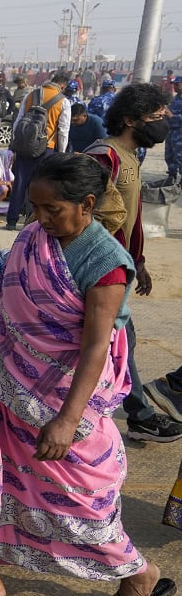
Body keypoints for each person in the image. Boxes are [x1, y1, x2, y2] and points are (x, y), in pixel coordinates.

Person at [0, 153, 175, 596]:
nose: (41, 219)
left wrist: (67, 421)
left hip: (63, 402)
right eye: (36, 207)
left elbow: (97, 346)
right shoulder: (35, 237)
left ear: (87, 204)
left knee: (79, 499)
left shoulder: (106, 262)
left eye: (52, 209)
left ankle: (138, 574)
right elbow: (9, 310)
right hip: (7, 389)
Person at [84, 83, 182, 443]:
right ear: (129, 119)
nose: (161, 125)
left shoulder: (131, 156)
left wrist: (137, 262)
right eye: (155, 118)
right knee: (118, 338)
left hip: (119, 268)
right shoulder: (103, 156)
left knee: (121, 339)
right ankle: (139, 413)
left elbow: (129, 219)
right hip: (99, 271)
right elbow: (84, 216)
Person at [8, 69, 72, 230]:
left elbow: (18, 121)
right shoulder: (63, 101)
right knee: (42, 185)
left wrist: (16, 144)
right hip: (47, 148)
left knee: (20, 183)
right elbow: (63, 130)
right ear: (62, 86)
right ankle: (32, 221)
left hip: (25, 146)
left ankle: (11, 220)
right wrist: (62, 153)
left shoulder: (30, 95)